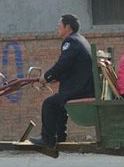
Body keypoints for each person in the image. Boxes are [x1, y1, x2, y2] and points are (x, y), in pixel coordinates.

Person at [29, 14, 94, 155]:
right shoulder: (80, 40)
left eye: (59, 26)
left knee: (49, 104)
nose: (57, 29)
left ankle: (48, 139)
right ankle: (60, 136)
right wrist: (54, 78)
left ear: (68, 27)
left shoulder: (70, 41)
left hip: (80, 89)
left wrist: (46, 77)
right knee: (58, 103)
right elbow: (71, 67)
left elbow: (62, 65)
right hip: (84, 87)